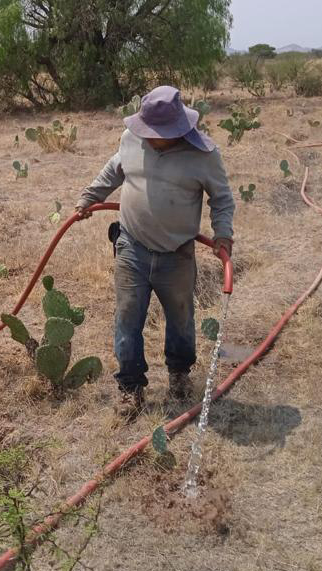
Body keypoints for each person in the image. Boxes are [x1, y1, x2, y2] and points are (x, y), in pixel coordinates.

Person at [75, 85, 235, 421]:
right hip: (131, 246)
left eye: (156, 134)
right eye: (145, 131)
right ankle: (130, 388)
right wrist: (89, 197)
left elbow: (221, 198)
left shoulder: (204, 155)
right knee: (127, 319)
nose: (148, 138)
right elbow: (114, 169)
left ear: (178, 129)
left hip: (176, 255)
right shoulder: (132, 138)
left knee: (180, 319)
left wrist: (223, 234)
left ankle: (179, 374)